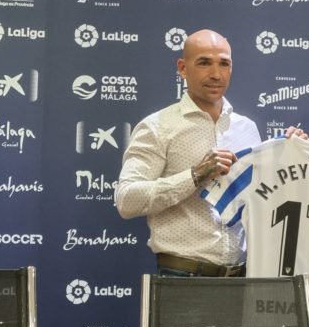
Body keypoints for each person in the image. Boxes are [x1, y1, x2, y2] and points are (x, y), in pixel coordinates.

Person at [116, 28, 279, 277]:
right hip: (182, 277)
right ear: (182, 68)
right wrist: (195, 176)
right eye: (204, 63)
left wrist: (287, 149)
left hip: (241, 277)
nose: (216, 74)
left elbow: (261, 198)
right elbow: (127, 200)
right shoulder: (158, 126)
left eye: (224, 64)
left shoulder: (247, 128)